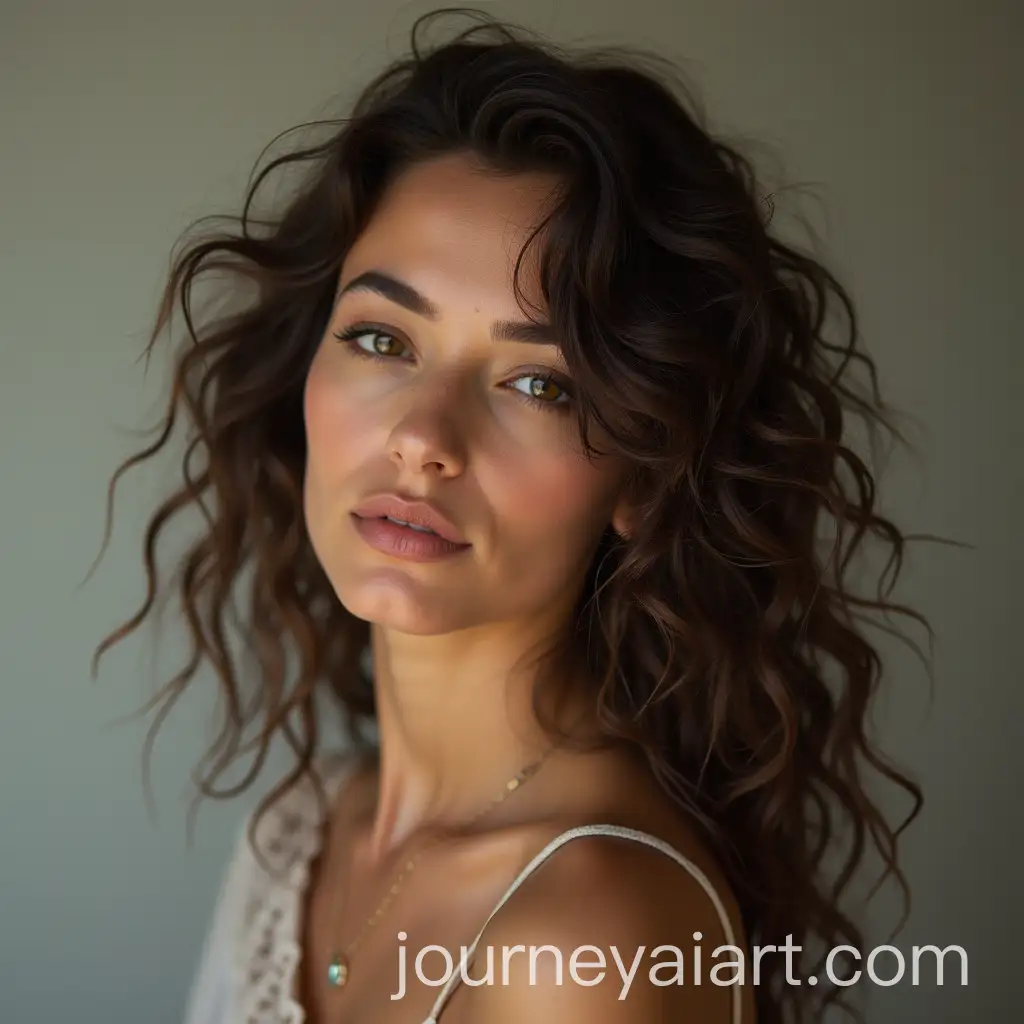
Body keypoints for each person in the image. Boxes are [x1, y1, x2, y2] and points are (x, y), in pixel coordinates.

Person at [93, 9, 926, 1024]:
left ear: (644, 477)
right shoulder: (304, 826)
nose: (424, 436)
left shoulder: (582, 939)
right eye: (382, 339)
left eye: (540, 385)